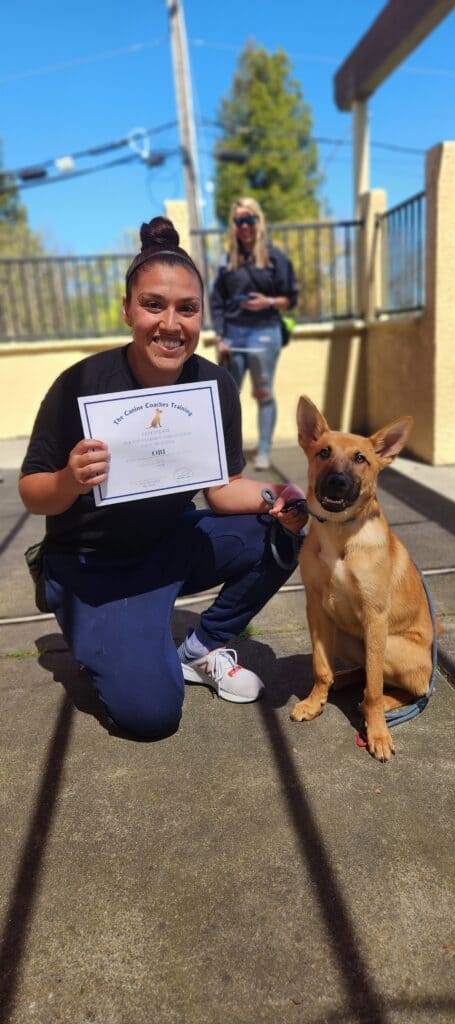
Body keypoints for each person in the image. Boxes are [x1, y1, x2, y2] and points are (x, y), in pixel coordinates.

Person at [19, 216, 307, 741]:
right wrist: (70, 478)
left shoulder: (214, 385)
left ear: (202, 316)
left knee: (285, 530)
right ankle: (95, 624)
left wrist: (280, 496)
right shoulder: (80, 383)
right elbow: (31, 491)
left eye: (186, 309)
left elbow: (222, 490)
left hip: (168, 545)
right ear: (127, 309)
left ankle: (201, 648)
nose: (170, 323)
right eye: (153, 304)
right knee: (151, 716)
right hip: (92, 566)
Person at [210, 197, 297, 471]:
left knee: (263, 393)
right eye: (238, 221)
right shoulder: (226, 262)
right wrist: (220, 337)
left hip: (264, 335)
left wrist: (267, 302)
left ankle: (263, 451)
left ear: (258, 221)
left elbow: (289, 299)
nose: (244, 225)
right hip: (233, 337)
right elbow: (217, 302)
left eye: (249, 219)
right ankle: (226, 452)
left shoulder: (275, 257)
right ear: (233, 226)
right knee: (228, 395)